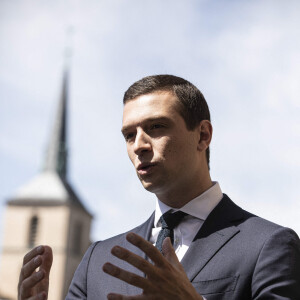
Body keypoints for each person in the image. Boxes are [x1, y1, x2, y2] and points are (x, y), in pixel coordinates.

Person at [18, 75, 300, 300]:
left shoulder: (269, 245)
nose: (139, 145)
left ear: (202, 135)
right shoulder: (98, 261)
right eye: (129, 135)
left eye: (155, 126)